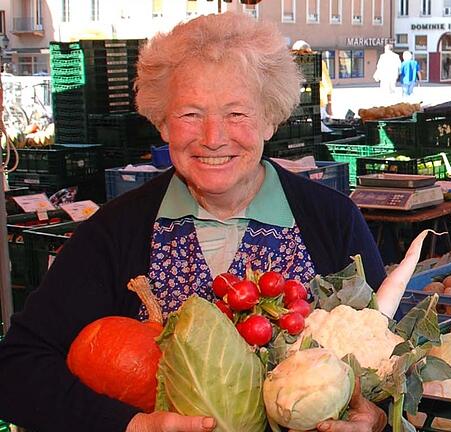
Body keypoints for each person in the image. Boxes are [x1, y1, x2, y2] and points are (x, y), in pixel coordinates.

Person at [0, 13, 387, 432]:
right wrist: (131, 425)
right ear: (162, 123)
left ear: (270, 118)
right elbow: (16, 369)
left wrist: (377, 417)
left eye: (236, 113)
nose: (213, 137)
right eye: (190, 114)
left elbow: (386, 366)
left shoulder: (332, 219)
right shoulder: (115, 231)